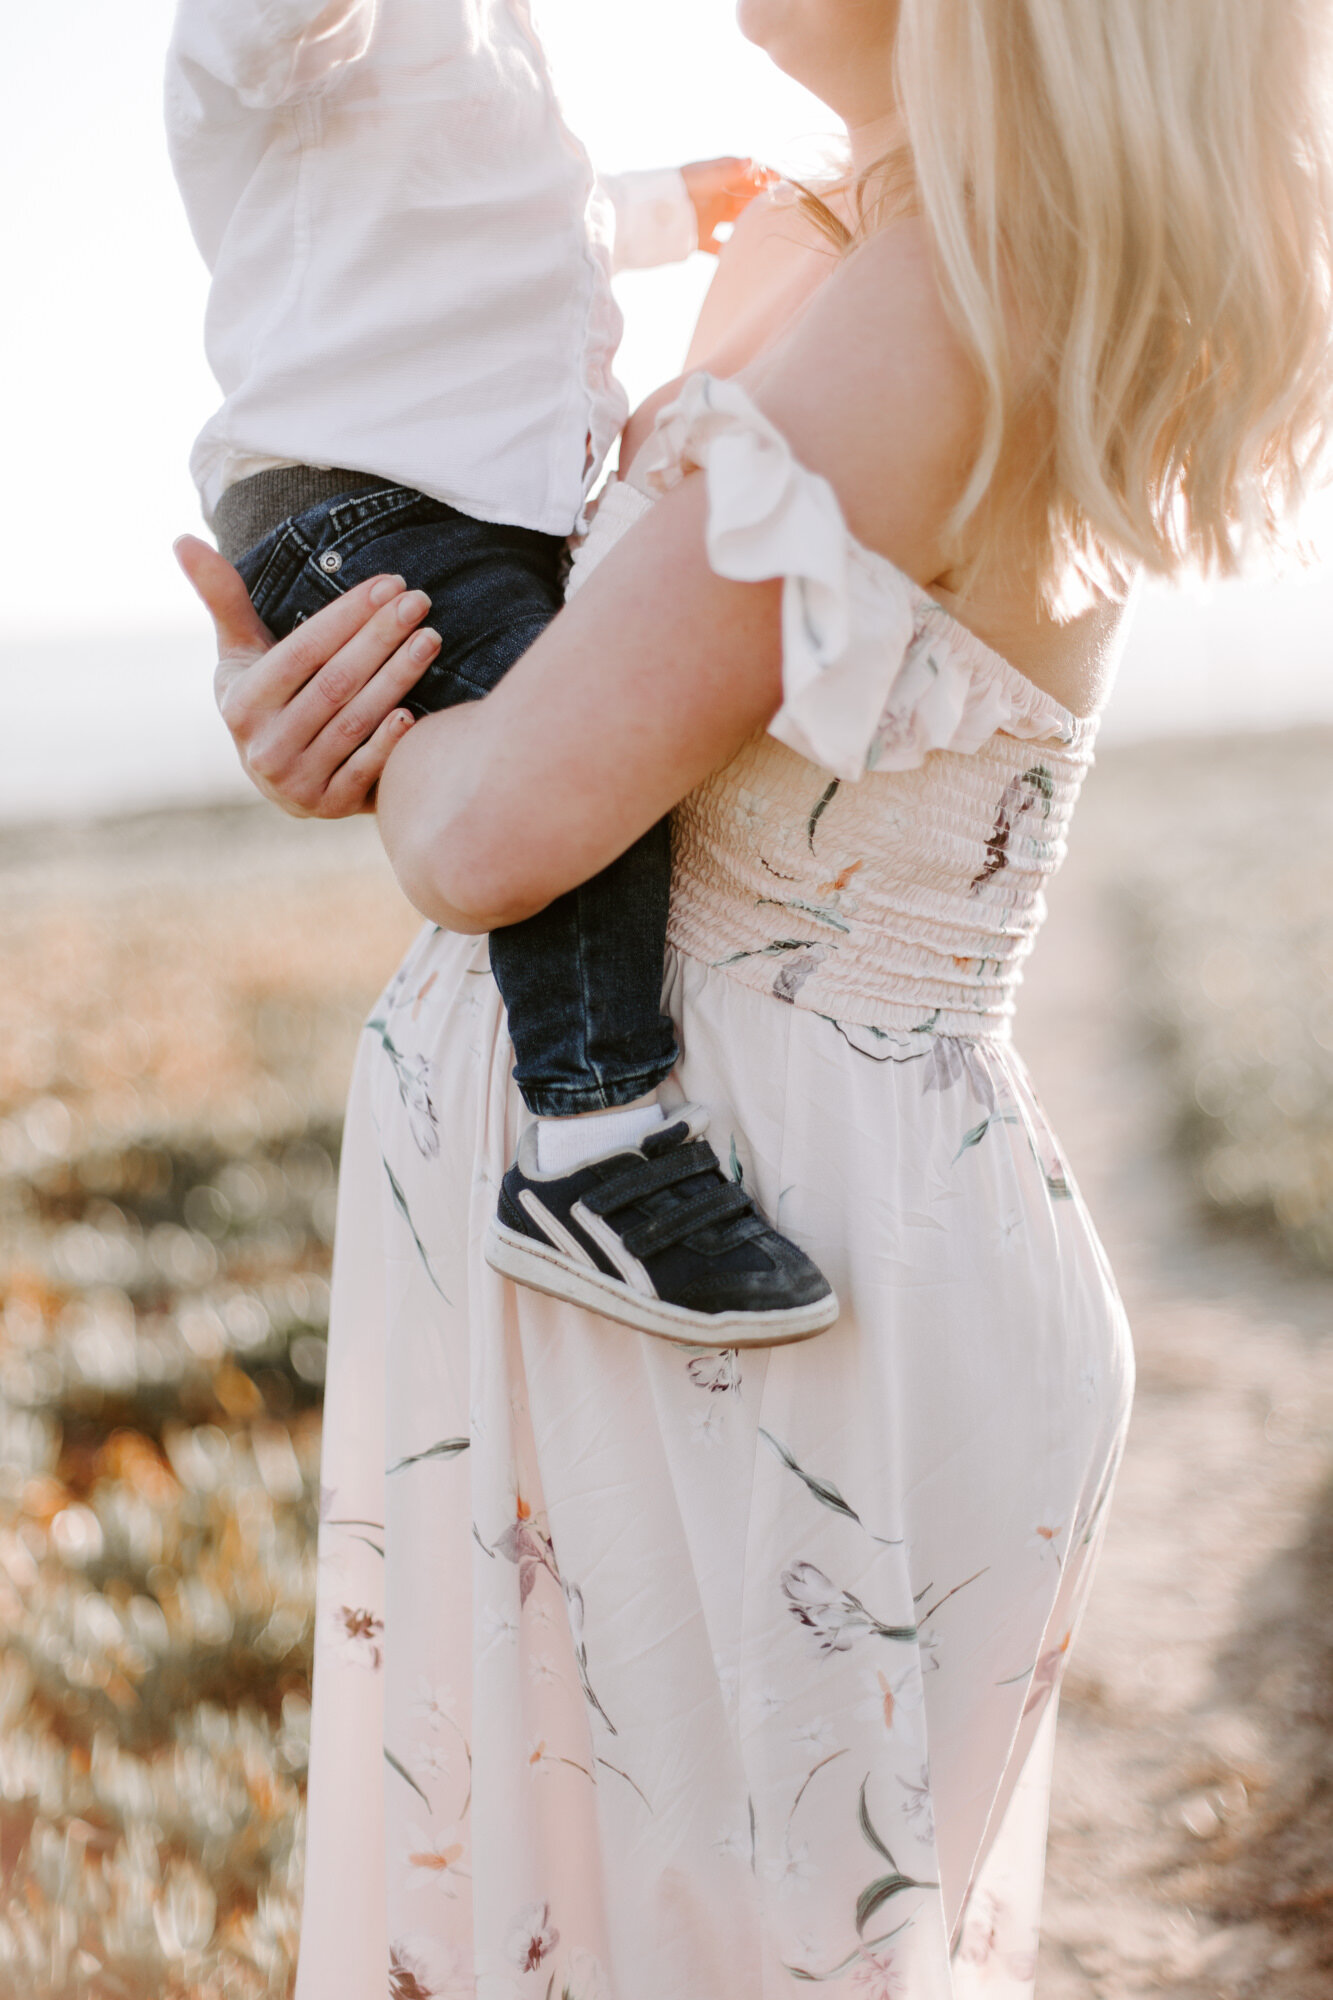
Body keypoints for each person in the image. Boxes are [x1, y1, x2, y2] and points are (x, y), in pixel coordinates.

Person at [179, 0, 1333, 1992]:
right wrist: (338, 658)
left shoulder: (955, 300)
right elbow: (547, 717)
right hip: (671, 1258)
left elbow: (491, 833)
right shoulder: (820, 249)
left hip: (757, 1259)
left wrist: (364, 724)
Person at [167, 0, 837, 1345]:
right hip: (364, 497)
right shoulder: (311, 34)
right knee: (554, 751)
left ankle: (595, 1125)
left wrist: (678, 205)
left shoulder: (493, 51)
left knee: (557, 730)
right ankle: (595, 1141)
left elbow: (530, 213)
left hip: (465, 504)